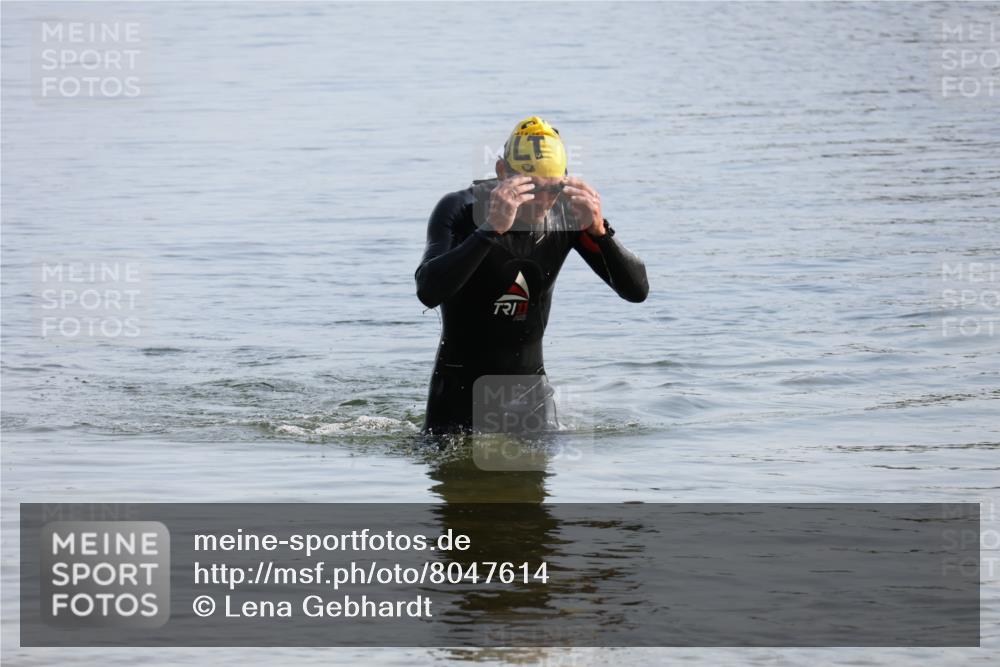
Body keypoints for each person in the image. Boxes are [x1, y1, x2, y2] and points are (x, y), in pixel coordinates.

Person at [415, 116, 648, 434]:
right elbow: (428, 290)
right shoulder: (460, 210)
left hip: (532, 401)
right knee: (458, 479)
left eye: (553, 189)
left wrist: (601, 233)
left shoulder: (568, 215)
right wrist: (490, 230)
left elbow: (636, 291)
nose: (542, 201)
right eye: (530, 187)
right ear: (501, 173)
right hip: (456, 400)